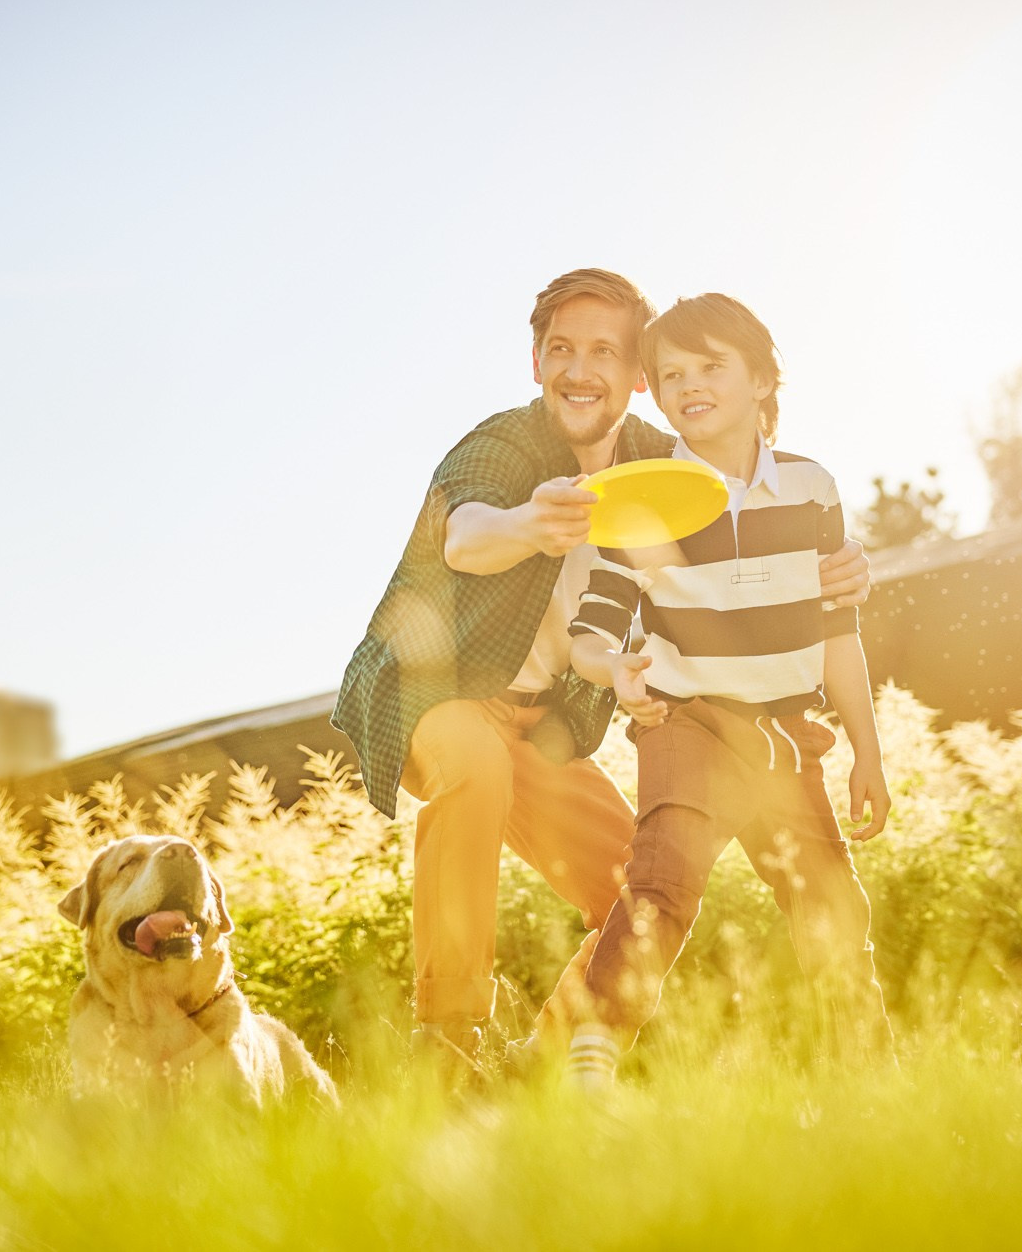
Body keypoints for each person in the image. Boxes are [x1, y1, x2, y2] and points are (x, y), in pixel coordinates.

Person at [332, 270, 873, 1072]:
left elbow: (762, 519)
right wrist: (527, 522)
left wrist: (839, 570)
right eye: (560, 350)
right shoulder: (506, 443)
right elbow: (464, 533)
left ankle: (540, 1063)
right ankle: (446, 1037)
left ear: (637, 377)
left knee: (638, 890)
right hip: (440, 695)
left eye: (603, 353)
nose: (579, 370)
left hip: (545, 725)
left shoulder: (666, 462)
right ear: (537, 361)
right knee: (473, 772)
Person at [563, 291, 894, 1087]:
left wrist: (867, 753)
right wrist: (616, 671)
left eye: (712, 366)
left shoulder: (811, 489)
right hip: (689, 724)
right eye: (671, 373)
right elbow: (591, 633)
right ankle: (592, 1057)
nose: (689, 384)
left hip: (786, 736)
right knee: (663, 882)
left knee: (833, 915)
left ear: (761, 380)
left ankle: (870, 1088)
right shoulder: (641, 497)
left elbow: (837, 632)